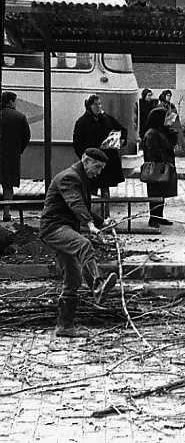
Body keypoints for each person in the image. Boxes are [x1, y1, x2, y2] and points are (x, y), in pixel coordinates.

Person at [39, 148, 119, 338]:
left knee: (73, 278)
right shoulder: (70, 177)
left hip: (64, 228)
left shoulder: (79, 178)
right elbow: (75, 203)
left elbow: (82, 206)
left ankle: (64, 326)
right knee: (84, 244)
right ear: (85, 159)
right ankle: (98, 284)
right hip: (54, 228)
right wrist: (90, 225)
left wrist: (101, 222)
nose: (98, 172)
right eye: (97, 167)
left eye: (101, 169)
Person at [72, 95, 127, 216]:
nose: (98, 107)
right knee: (89, 190)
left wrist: (121, 140)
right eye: (95, 105)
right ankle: (89, 216)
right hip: (91, 162)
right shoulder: (82, 122)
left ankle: (105, 215)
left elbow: (121, 129)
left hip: (107, 161)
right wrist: (84, 158)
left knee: (105, 189)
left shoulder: (106, 118)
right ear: (89, 106)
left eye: (99, 104)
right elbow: (77, 142)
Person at [142, 107, 178, 228]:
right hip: (156, 168)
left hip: (165, 167)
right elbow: (152, 151)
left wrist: (169, 129)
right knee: (155, 194)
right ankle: (153, 218)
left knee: (162, 193)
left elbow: (173, 141)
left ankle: (159, 216)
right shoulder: (151, 133)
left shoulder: (161, 131)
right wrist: (160, 160)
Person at [1, 92, 31, 222]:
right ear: (12, 102)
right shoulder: (20, 117)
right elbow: (26, 137)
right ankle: (6, 213)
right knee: (8, 185)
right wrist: (19, 150)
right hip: (11, 155)